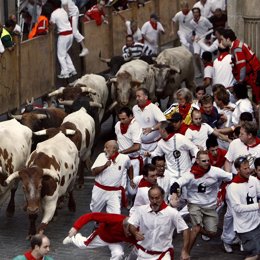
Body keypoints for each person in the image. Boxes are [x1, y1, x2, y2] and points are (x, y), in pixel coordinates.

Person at [170, 150, 232, 253]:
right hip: (195, 204)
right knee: (196, 227)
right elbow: (176, 184)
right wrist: (174, 194)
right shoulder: (190, 174)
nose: (207, 163)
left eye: (208, 160)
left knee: (212, 233)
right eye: (204, 161)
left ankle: (198, 229)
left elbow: (231, 177)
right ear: (197, 161)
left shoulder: (215, 171)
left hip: (210, 206)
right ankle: (185, 253)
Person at [128, 185, 190, 260]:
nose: (154, 201)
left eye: (157, 198)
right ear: (148, 197)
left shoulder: (172, 213)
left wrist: (185, 251)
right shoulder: (141, 210)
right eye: (152, 198)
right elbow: (131, 224)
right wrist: (135, 233)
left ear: (163, 196)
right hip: (142, 253)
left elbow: (185, 229)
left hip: (162, 255)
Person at [62, 212, 137, 260]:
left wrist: (135, 242)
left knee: (118, 254)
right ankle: (74, 238)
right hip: (102, 236)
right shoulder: (115, 219)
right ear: (124, 226)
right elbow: (91, 216)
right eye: (128, 231)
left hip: (117, 241)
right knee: (83, 245)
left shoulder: (138, 230)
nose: (129, 234)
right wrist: (76, 227)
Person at [226, 156, 260, 260]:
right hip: (245, 228)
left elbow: (259, 193)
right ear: (237, 169)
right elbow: (237, 208)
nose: (248, 170)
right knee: (255, 255)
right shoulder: (233, 187)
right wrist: (257, 206)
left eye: (248, 167)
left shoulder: (253, 180)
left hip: (257, 223)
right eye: (244, 169)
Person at [90, 140, 133, 213]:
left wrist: (131, 179)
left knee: (115, 215)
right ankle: (97, 224)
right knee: (95, 213)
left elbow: (130, 167)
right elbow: (94, 172)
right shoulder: (101, 156)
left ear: (114, 149)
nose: (104, 149)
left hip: (114, 192)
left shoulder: (124, 158)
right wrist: (105, 166)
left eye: (106, 147)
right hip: (100, 190)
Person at [220, 28, 260, 103]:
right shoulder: (237, 44)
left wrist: (240, 82)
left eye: (222, 39)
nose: (221, 42)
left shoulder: (236, 48)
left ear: (228, 39)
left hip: (254, 76)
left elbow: (242, 67)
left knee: (258, 100)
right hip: (254, 74)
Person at [132, 87, 166, 161]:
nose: (137, 98)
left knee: (153, 168)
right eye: (136, 96)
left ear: (145, 97)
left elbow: (163, 122)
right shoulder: (134, 108)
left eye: (139, 96)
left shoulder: (153, 108)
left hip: (154, 146)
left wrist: (151, 129)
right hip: (141, 145)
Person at [114, 107, 142, 187]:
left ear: (131, 116)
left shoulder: (135, 126)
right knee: (120, 186)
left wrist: (121, 152)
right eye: (120, 119)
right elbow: (117, 139)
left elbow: (137, 146)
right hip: (121, 160)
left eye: (124, 119)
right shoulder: (117, 125)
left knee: (132, 190)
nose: (121, 121)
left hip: (133, 161)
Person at [50, 0, 77, 79]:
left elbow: (52, 26)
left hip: (63, 35)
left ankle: (65, 73)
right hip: (70, 34)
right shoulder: (64, 11)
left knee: (61, 55)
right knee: (64, 53)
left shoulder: (54, 13)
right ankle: (72, 69)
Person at [190, 7, 213, 77]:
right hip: (197, 39)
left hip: (205, 38)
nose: (195, 14)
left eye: (197, 12)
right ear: (192, 14)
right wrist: (193, 36)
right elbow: (193, 30)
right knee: (196, 56)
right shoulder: (191, 22)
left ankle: (208, 71)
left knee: (204, 57)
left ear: (199, 13)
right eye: (194, 12)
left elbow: (211, 28)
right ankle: (200, 72)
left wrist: (207, 38)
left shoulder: (204, 20)